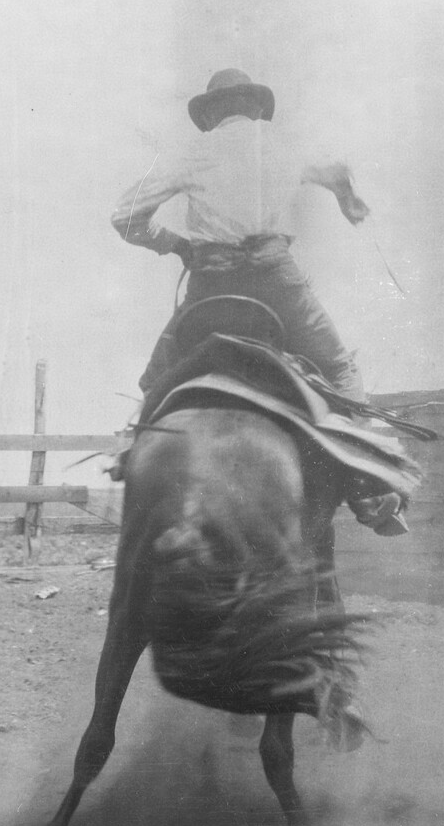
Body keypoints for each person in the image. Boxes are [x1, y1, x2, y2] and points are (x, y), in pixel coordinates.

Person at [111, 68, 405, 535]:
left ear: (211, 112)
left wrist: (175, 244)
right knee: (340, 369)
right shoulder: (286, 144)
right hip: (276, 280)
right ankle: (367, 488)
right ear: (254, 106)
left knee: (156, 376)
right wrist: (349, 201)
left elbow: (125, 217)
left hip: (212, 283)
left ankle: (133, 453)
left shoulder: (190, 151)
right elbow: (338, 170)